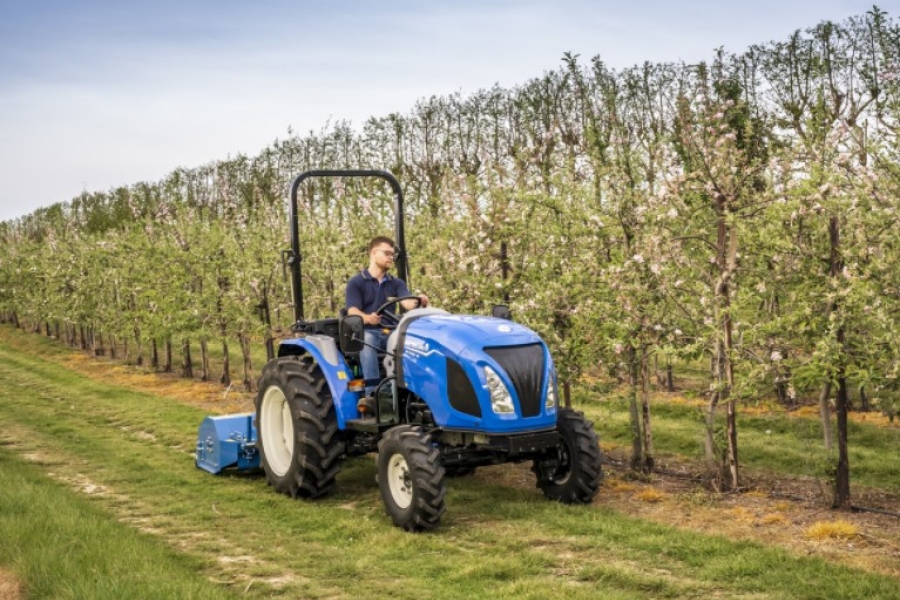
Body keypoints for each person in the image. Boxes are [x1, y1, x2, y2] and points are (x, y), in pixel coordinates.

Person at [345, 236, 429, 395]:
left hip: (390, 332)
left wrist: (419, 300)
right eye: (387, 253)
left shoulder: (396, 283)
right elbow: (352, 311)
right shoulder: (356, 283)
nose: (391, 257)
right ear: (374, 253)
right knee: (368, 340)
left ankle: (415, 392)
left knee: (417, 343)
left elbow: (407, 303)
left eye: (392, 255)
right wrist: (368, 317)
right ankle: (374, 394)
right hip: (366, 332)